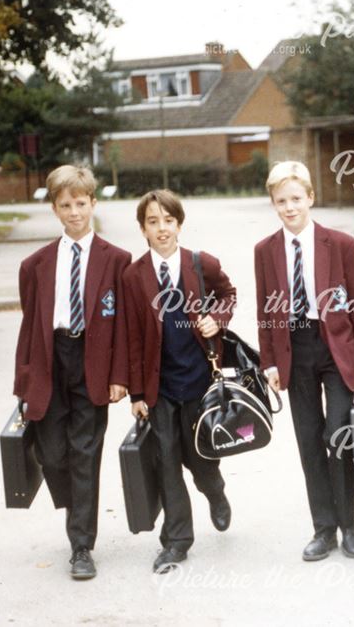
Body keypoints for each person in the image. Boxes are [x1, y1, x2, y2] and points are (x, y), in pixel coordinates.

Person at [254, 161, 354, 562]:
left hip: (336, 349)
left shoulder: (339, 245)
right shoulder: (265, 251)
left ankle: (351, 523)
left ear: (310, 197)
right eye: (281, 201)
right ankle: (323, 528)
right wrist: (269, 361)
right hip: (294, 348)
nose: (289, 207)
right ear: (273, 204)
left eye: (296, 199)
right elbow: (265, 311)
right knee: (309, 440)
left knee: (337, 435)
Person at [13, 165, 130, 579]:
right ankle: (74, 502)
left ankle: (81, 545)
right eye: (66, 205)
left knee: (85, 453)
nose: (75, 212)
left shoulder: (116, 260)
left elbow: (123, 326)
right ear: (55, 209)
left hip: (93, 361)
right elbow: (29, 328)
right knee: (51, 453)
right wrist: (23, 384)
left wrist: (121, 376)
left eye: (81, 203)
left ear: (94, 203)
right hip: (51, 358)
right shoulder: (36, 264)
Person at [123, 189, 236, 573]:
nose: (162, 229)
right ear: (143, 229)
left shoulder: (201, 263)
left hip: (200, 380)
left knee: (201, 458)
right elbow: (132, 336)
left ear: (179, 224)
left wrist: (217, 318)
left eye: (168, 221)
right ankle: (176, 541)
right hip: (161, 389)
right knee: (167, 462)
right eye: (153, 222)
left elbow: (227, 294)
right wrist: (137, 393)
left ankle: (215, 491)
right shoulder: (134, 276)